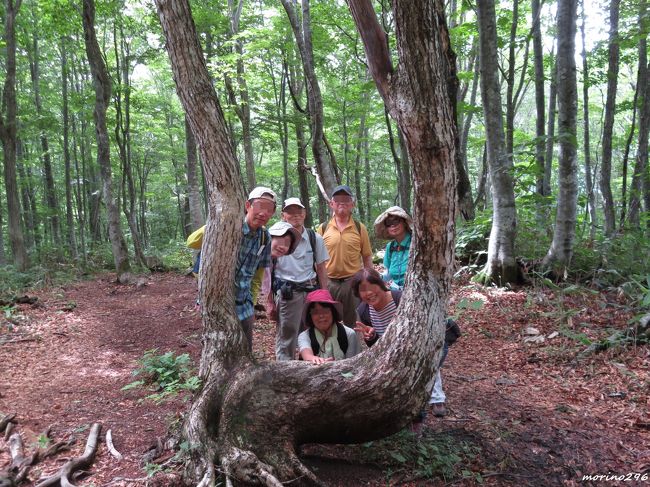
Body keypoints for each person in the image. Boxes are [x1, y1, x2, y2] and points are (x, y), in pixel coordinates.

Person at [351, 268, 450, 418]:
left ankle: (423, 411)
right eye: (363, 290)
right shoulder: (364, 310)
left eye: (372, 286)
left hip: (423, 345)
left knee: (421, 371)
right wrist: (370, 337)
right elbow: (377, 346)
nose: (369, 293)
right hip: (395, 353)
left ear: (381, 284)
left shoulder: (402, 299)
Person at [271, 198, 330, 361]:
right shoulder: (275, 237)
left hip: (311, 291)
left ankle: (311, 366)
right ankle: (285, 368)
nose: (295, 215)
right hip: (288, 293)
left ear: (304, 214)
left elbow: (320, 268)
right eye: (291, 212)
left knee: (313, 331)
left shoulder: (314, 237)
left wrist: (324, 295)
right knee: (287, 334)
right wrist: (269, 301)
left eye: (299, 212)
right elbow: (269, 270)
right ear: (284, 215)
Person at [317, 185, 373, 327]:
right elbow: (317, 260)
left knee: (354, 323)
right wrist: (320, 285)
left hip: (352, 282)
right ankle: (331, 348)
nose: (342, 203)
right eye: (338, 199)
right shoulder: (323, 228)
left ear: (352, 204)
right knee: (328, 321)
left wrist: (369, 282)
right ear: (331, 204)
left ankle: (354, 349)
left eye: (346, 199)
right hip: (329, 282)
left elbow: (366, 257)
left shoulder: (360, 228)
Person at [235, 186, 277, 351]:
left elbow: (259, 274)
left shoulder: (264, 237)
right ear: (248, 205)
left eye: (269, 210)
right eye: (259, 206)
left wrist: (252, 302)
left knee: (246, 349)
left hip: (245, 302)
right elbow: (191, 241)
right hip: (222, 300)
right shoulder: (230, 228)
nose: (263, 213)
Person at [298, 289, 361, 364]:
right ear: (310, 316)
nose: (321, 316)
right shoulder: (305, 336)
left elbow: (353, 363)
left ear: (333, 312)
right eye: (315, 312)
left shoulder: (349, 334)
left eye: (325, 311)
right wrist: (313, 359)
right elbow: (306, 352)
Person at [373, 206, 412, 290]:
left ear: (404, 222)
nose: (393, 226)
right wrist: (375, 278)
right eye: (388, 223)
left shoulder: (415, 243)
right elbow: (389, 275)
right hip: (395, 293)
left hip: (414, 292)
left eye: (396, 221)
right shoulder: (390, 247)